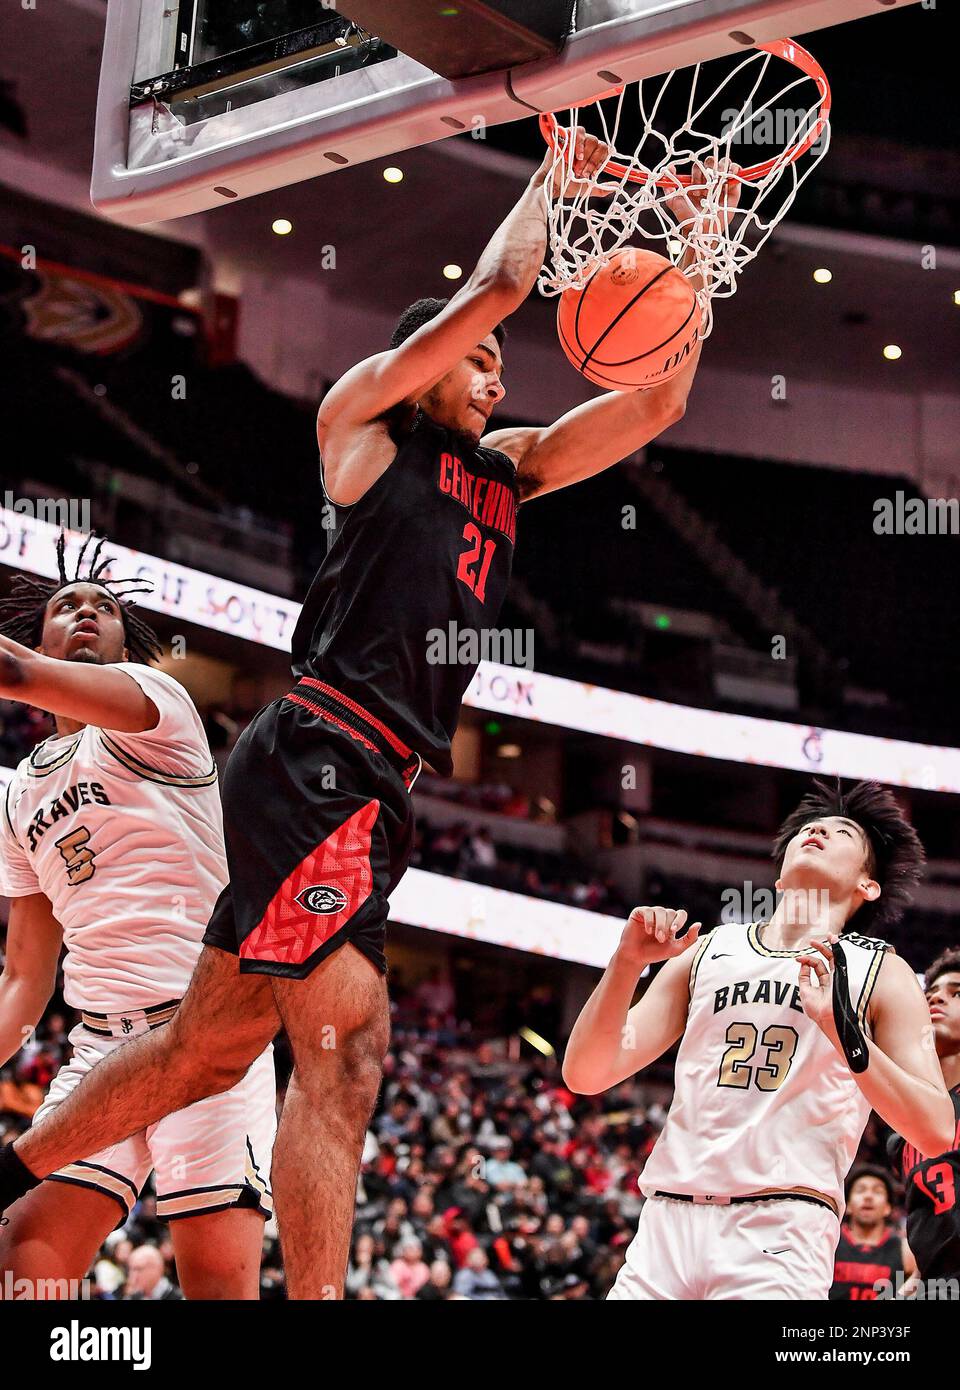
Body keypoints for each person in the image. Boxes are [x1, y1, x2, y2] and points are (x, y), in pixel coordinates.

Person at [0, 135, 736, 1299]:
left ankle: (10, 1167)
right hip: (321, 755)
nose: (498, 379)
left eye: (501, 366)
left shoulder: (509, 467)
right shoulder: (362, 428)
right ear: (422, 357)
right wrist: (560, 164)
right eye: (481, 362)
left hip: (373, 781)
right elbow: (497, 286)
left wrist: (694, 248)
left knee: (207, 1045)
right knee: (346, 1059)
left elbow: (663, 398)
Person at [0, 536, 276, 1299]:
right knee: (27, 1260)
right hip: (101, 1049)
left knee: (217, 1287)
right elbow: (25, 977)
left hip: (207, 1033)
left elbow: (13, 674)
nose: (86, 613)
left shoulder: (156, 711)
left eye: (105, 607)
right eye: (66, 606)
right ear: (43, 633)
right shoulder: (16, 796)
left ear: (126, 642)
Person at [563, 779, 954, 1300]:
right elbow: (586, 1073)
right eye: (809, 828)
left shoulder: (883, 973)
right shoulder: (705, 950)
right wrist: (626, 964)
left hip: (782, 1228)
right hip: (666, 1222)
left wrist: (845, 1035)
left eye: (842, 833)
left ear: (868, 885)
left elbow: (934, 1131)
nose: (818, 831)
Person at [889, 946, 960, 1286]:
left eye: (956, 993)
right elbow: (933, 1224)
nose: (937, 1000)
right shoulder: (902, 1129)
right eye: (929, 994)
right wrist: (915, 1281)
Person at [829, 1166, 913, 1299]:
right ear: (848, 1205)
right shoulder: (830, 1242)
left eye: (877, 1191)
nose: (868, 1196)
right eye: (860, 1190)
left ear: (887, 1208)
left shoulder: (905, 1251)